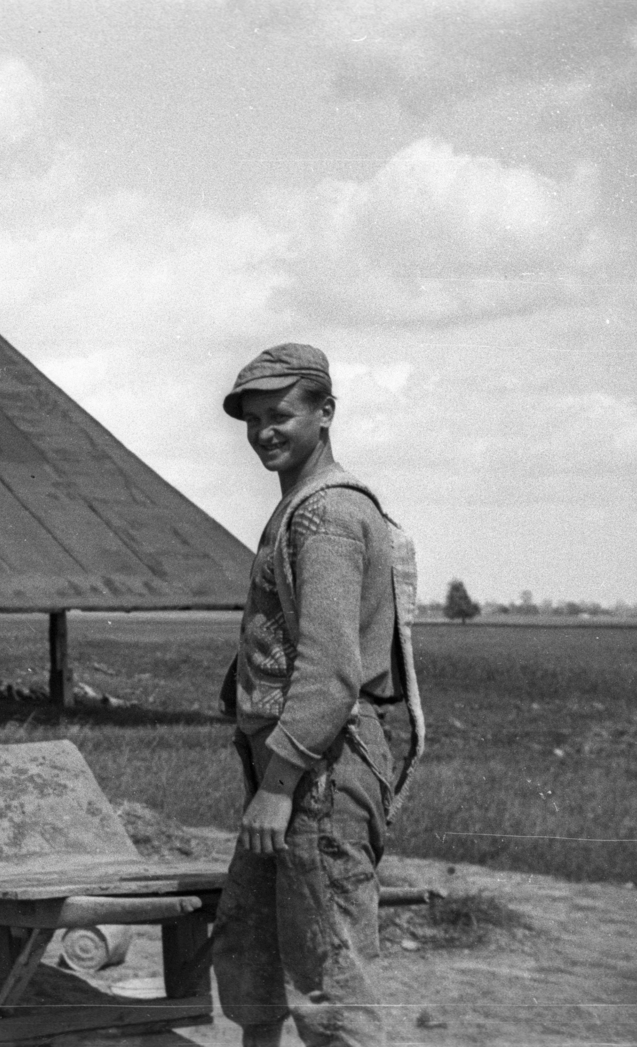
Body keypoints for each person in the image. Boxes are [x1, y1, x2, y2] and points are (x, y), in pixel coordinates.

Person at [212, 343, 400, 1047]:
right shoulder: (297, 507)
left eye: (280, 414)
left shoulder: (328, 516)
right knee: (254, 948)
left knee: (329, 978)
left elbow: (329, 671)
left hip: (318, 771)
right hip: (289, 771)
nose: (264, 431)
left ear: (325, 412)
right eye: (253, 418)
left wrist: (280, 783)